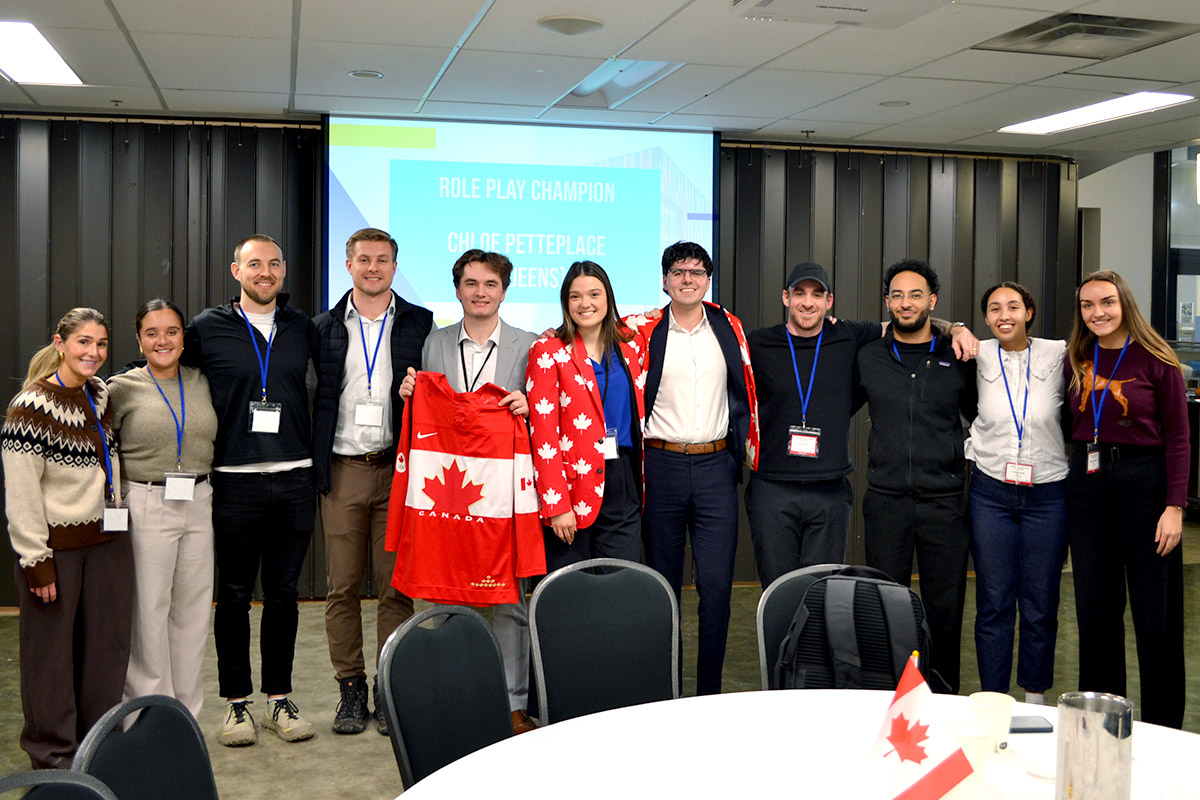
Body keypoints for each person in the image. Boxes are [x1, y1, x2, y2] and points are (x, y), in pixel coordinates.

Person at [746, 263, 977, 589]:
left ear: (830, 301)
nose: (808, 303)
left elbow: (907, 321)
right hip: (772, 488)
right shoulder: (758, 343)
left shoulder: (849, 335)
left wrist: (956, 328)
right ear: (786, 297)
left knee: (823, 592)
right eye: (799, 293)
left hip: (829, 489)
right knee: (777, 591)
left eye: (817, 294)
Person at [183, 233, 319, 746]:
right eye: (254, 264)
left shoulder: (302, 326)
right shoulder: (206, 328)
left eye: (275, 264)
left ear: (283, 273)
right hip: (235, 483)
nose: (266, 272)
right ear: (236, 270)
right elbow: (162, 369)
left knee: (283, 595)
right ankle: (236, 704)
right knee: (235, 595)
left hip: (296, 478)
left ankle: (279, 699)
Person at [398, 248, 538, 733]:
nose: (481, 293)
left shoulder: (530, 345)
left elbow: (544, 412)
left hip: (503, 496)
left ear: (504, 290)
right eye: (472, 284)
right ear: (457, 289)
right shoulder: (433, 344)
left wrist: (529, 405)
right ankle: (451, 695)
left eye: (490, 284)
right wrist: (411, 395)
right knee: (443, 593)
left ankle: (513, 702)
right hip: (446, 495)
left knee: (508, 599)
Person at [313, 228, 433, 736]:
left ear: (394, 266)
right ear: (348, 265)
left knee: (395, 589)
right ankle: (350, 689)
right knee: (341, 588)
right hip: (341, 470)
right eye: (364, 260)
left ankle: (388, 688)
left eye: (383, 260)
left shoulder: (419, 323)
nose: (373, 268)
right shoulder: (321, 326)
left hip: (396, 472)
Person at [2, 308, 133, 769]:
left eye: (100, 344)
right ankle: (53, 760)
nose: (93, 353)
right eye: (83, 342)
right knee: (50, 660)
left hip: (109, 545)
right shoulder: (30, 407)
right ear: (60, 343)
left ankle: (98, 751)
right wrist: (36, 560)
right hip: (57, 552)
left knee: (106, 655)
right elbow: (21, 494)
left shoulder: (99, 395)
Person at [626, 241, 757, 696]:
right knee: (663, 587)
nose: (688, 279)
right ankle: (665, 692)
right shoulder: (640, 330)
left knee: (717, 588)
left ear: (708, 280)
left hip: (715, 468)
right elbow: (584, 339)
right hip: (660, 466)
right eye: (678, 271)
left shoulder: (729, 327)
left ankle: (708, 694)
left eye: (697, 272)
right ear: (664, 280)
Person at [1064, 270, 1187, 729]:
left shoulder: (1157, 358)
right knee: (1096, 615)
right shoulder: (1076, 357)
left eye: (1107, 303)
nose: (1098, 312)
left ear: (1124, 304)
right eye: (1087, 305)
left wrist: (1175, 505)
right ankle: (1101, 724)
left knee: (1155, 618)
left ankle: (1162, 729)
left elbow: (1179, 437)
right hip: (1089, 485)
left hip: (1145, 486)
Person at [854, 259, 977, 694]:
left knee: (945, 609)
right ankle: (888, 698)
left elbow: (982, 418)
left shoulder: (958, 354)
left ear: (933, 301)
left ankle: (942, 699)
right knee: (886, 607)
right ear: (887, 302)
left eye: (916, 294)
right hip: (886, 502)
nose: (906, 304)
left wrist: (956, 328)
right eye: (897, 296)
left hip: (944, 503)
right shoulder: (868, 355)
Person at [108, 299, 218, 719]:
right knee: (149, 610)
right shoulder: (120, 388)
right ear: (139, 340)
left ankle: (184, 715)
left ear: (183, 337)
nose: (162, 340)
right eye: (152, 333)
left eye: (171, 331)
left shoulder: (200, 381)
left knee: (192, 611)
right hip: (147, 502)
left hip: (198, 499)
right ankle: (145, 714)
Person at [965, 282, 1067, 703]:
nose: (1004, 315)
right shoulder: (977, 352)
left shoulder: (1059, 353)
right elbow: (924, 325)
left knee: (1041, 599)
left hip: (1048, 492)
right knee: (994, 599)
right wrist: (953, 325)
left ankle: (1034, 696)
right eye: (993, 309)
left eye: (1013, 307)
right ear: (986, 318)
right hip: (990, 490)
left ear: (1029, 311)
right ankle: (994, 696)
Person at [527, 261, 647, 571]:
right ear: (566, 302)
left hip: (622, 477)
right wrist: (555, 504)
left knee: (620, 585)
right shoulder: (548, 350)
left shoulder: (631, 346)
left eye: (594, 294)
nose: (585, 304)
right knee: (571, 593)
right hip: (571, 483)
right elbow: (543, 435)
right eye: (575, 296)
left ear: (608, 297)